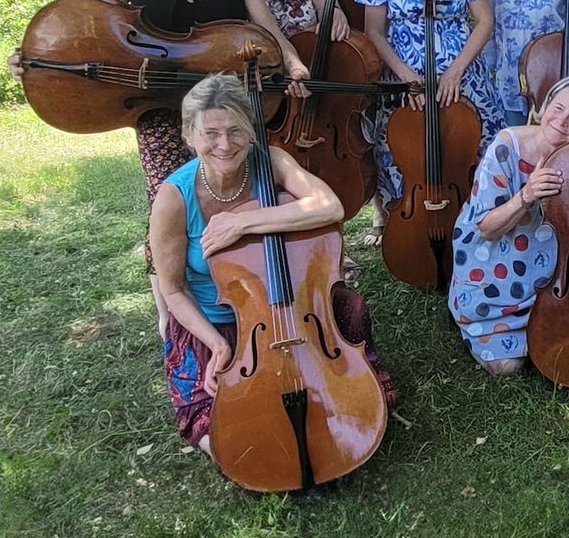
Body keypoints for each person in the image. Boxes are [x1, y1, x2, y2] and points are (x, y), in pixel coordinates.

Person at [6, 0, 310, 332]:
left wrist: (291, 61)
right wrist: (38, 61)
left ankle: (235, 297)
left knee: (229, 197)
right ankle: (172, 316)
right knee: (167, 199)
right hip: (157, 106)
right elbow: (94, 28)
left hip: (220, 111)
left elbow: (266, 26)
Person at [149, 74, 397, 451]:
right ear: (188, 135)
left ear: (250, 129)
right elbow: (173, 289)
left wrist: (243, 222)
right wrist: (216, 344)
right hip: (214, 323)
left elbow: (329, 206)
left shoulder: (270, 160)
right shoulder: (173, 197)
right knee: (230, 442)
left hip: (291, 310)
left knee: (350, 311)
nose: (224, 144)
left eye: (235, 130)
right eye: (211, 133)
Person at [356, 0, 506, 246]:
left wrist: (455, 72)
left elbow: (484, 20)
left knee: (478, 151)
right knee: (402, 157)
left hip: (461, 73)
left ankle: (479, 237)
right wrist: (406, 76)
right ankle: (416, 243)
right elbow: (374, 30)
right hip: (404, 79)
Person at [446, 74, 569, 374]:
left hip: (554, 276)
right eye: (558, 107)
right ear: (546, 103)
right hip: (496, 265)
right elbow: (485, 228)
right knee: (508, 367)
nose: (561, 121)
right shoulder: (506, 146)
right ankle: (479, 323)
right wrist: (526, 195)